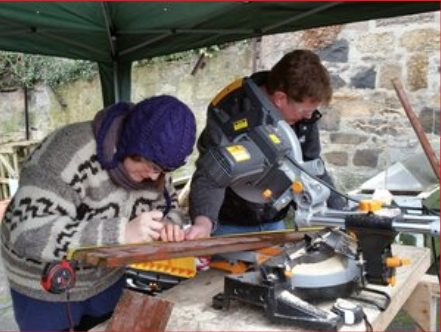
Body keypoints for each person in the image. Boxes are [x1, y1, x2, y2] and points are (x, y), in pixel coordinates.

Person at [0, 95, 202, 331]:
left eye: (165, 170)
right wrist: (121, 232)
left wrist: (169, 224)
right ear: (132, 144)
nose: (156, 177)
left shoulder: (156, 165)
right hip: (44, 287)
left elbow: (171, 207)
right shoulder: (66, 152)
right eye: (154, 167)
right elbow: (28, 233)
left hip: (107, 280)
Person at [189, 49, 345, 237]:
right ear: (280, 98)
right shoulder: (230, 108)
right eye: (304, 111)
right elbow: (211, 174)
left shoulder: (302, 117)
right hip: (229, 225)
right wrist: (203, 223)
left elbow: (312, 167)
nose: (309, 117)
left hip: (274, 222)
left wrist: (343, 213)